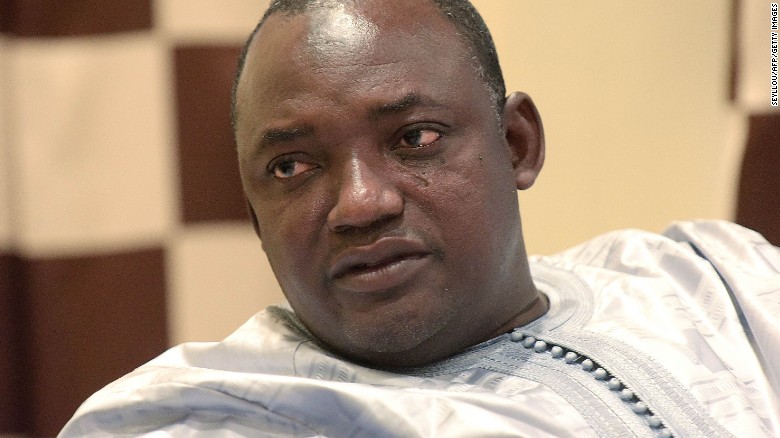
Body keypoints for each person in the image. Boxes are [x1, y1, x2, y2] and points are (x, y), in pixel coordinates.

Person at [60, 0, 779, 436]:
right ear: (254, 214)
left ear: (516, 144)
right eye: (292, 167)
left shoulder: (715, 281)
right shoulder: (202, 417)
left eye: (415, 138)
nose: (361, 203)